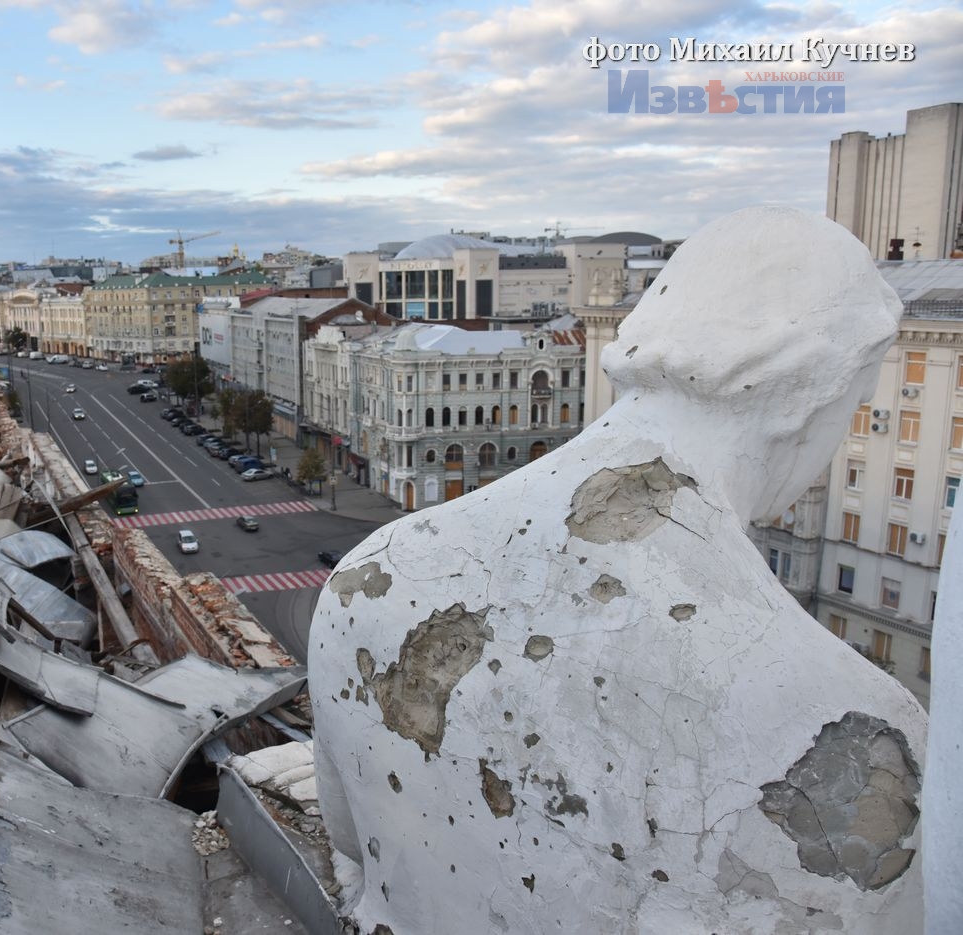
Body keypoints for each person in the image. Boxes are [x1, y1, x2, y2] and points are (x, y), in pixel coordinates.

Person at [309, 207, 926, 935]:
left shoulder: (368, 577)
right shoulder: (851, 728)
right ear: (808, 394)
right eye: (854, 407)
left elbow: (351, 847)